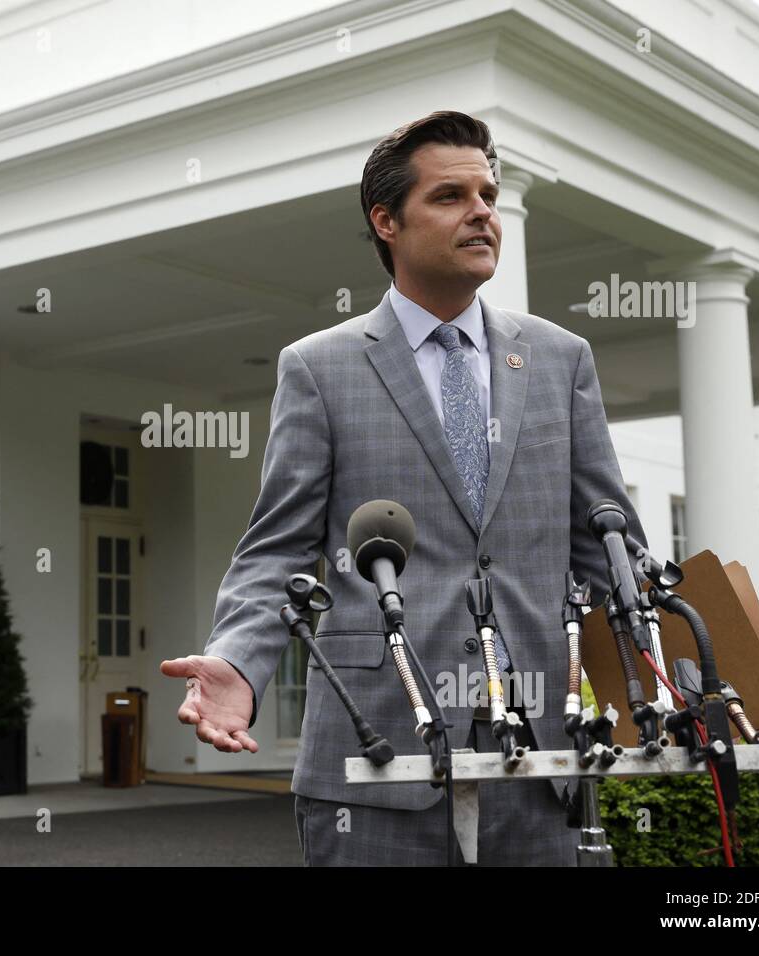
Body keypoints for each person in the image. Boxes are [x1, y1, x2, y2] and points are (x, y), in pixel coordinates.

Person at [161, 111, 648, 865]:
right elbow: (278, 551)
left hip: (541, 762)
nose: (483, 211)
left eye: (488, 193)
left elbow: (609, 546)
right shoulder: (319, 368)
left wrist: (670, 675)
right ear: (386, 221)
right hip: (375, 761)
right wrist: (239, 661)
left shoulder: (562, 359)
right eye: (451, 196)